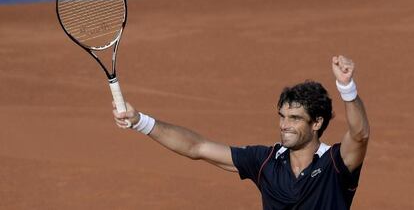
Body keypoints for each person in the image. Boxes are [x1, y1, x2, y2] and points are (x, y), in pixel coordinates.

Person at [113, 55, 370, 210]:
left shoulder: (336, 164)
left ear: (316, 123)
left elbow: (359, 135)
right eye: (282, 116)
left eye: (294, 119)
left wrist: (347, 88)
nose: (284, 125)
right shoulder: (266, 161)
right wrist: (140, 122)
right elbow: (197, 147)